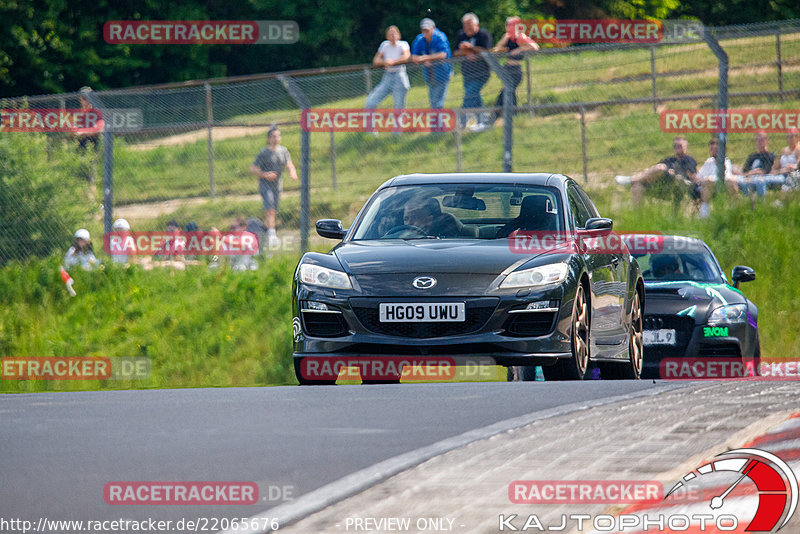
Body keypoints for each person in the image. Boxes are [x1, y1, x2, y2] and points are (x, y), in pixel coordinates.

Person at [249, 126, 298, 248]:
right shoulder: (264, 152)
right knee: (270, 208)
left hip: (277, 185)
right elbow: (253, 168)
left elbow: (289, 164)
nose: (276, 139)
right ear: (269, 138)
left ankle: (264, 230)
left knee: (273, 210)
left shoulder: (283, 151)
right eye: (274, 136)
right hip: (265, 185)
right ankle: (272, 235)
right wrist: (265, 175)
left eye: (278, 136)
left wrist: (292, 172)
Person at [617, 136, 698, 207]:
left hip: (673, 185)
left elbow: (691, 176)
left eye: (680, 146)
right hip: (659, 184)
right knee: (637, 185)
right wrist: (648, 171)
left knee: (661, 168)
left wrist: (674, 172)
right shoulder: (669, 159)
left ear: (686, 147)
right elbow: (653, 170)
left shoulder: (689, 160)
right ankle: (638, 218)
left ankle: (630, 180)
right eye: (675, 146)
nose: (677, 147)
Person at [491, 17, 539, 123]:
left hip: (516, 70)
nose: (509, 27)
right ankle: (512, 116)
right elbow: (497, 48)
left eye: (511, 25)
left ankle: (497, 116)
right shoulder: (507, 37)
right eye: (507, 25)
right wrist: (502, 49)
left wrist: (519, 49)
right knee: (509, 92)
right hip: (507, 69)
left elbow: (535, 47)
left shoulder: (520, 37)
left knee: (507, 92)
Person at [454, 13, 492, 131]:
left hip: (482, 73)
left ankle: (461, 122)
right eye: (465, 26)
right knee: (475, 98)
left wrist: (469, 48)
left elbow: (485, 50)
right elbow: (455, 53)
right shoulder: (461, 35)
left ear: (477, 25)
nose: (467, 29)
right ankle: (484, 123)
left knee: (470, 96)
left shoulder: (483, 35)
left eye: (469, 25)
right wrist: (465, 52)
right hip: (467, 73)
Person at [365, 26, 410, 114]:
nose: (392, 35)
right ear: (387, 36)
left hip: (399, 77)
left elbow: (406, 56)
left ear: (399, 35)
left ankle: (398, 127)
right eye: (390, 33)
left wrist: (393, 62)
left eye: (394, 33)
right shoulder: (384, 45)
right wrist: (385, 62)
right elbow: (376, 60)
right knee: (370, 102)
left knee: (398, 108)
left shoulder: (403, 44)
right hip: (387, 77)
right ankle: (370, 127)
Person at [411, 18, 453, 110]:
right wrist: (423, 59)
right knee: (433, 102)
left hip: (443, 73)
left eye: (427, 30)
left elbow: (443, 54)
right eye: (423, 30)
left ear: (433, 28)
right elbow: (414, 56)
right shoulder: (419, 39)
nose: (425, 33)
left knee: (439, 102)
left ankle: (438, 123)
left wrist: (425, 58)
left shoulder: (440, 37)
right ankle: (437, 123)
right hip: (430, 75)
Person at [694, 138, 739, 217]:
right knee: (708, 183)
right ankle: (704, 214)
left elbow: (727, 176)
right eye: (711, 149)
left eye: (715, 149)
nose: (713, 151)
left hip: (722, 185)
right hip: (708, 186)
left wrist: (710, 178)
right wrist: (705, 179)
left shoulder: (726, 161)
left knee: (731, 181)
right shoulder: (709, 161)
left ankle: (733, 209)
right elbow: (698, 177)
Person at [739, 132, 780, 197]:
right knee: (740, 180)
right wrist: (752, 172)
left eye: (761, 140)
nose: (759, 142)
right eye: (757, 140)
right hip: (750, 177)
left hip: (763, 177)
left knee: (759, 181)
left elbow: (766, 170)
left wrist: (751, 173)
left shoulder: (769, 155)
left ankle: (761, 204)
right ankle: (746, 202)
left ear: (767, 140)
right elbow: (745, 171)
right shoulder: (752, 156)